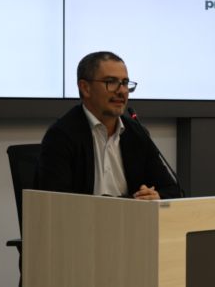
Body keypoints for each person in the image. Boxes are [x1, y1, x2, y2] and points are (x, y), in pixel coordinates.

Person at [35, 51, 180, 200]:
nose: (122, 91)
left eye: (125, 83)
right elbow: (56, 199)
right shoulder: (61, 134)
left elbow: (172, 190)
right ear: (85, 88)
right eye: (111, 82)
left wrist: (155, 197)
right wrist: (133, 202)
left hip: (132, 215)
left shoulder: (138, 134)